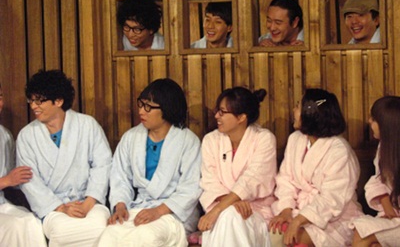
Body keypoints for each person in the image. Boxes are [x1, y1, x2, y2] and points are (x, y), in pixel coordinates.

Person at [98, 78, 201, 247]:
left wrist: (158, 211)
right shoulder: (131, 137)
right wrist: (120, 206)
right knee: (111, 234)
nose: (141, 111)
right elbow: (119, 178)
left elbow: (191, 187)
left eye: (149, 107)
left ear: (167, 109)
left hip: (172, 213)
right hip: (138, 207)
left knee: (146, 237)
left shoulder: (188, 141)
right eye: (141, 104)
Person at [16, 69, 112, 247]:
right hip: (52, 208)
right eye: (31, 100)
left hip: (88, 202)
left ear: (59, 101)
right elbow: (29, 181)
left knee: (100, 226)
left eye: (40, 101)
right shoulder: (26, 136)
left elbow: (103, 165)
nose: (33, 106)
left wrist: (88, 202)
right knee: (62, 231)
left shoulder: (87, 125)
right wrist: (60, 207)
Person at [269, 88, 362, 247]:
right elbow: (285, 179)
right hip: (300, 210)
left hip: (334, 219)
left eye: (298, 106)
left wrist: (299, 220)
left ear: (311, 113)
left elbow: (332, 198)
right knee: (275, 232)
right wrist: (286, 210)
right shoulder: (295, 139)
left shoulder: (339, 150)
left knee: (293, 238)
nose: (293, 110)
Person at [196, 86, 276, 247]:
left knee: (231, 216)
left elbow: (252, 179)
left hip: (254, 212)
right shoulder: (211, 140)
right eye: (217, 110)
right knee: (230, 215)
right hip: (220, 211)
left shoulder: (264, 139)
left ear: (241, 117)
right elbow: (209, 181)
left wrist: (218, 209)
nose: (216, 116)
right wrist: (230, 203)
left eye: (222, 112)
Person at [0, 82, 47, 246]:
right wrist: (6, 181)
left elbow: (14, 178)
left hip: (2, 204)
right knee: (14, 226)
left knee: (31, 222)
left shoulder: (4, 135)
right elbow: (8, 179)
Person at [351, 96, 400, 247]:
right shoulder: (384, 148)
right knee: (366, 235)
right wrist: (387, 205)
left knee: (365, 235)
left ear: (386, 123)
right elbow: (379, 179)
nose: (369, 122)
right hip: (395, 217)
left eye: (373, 119)